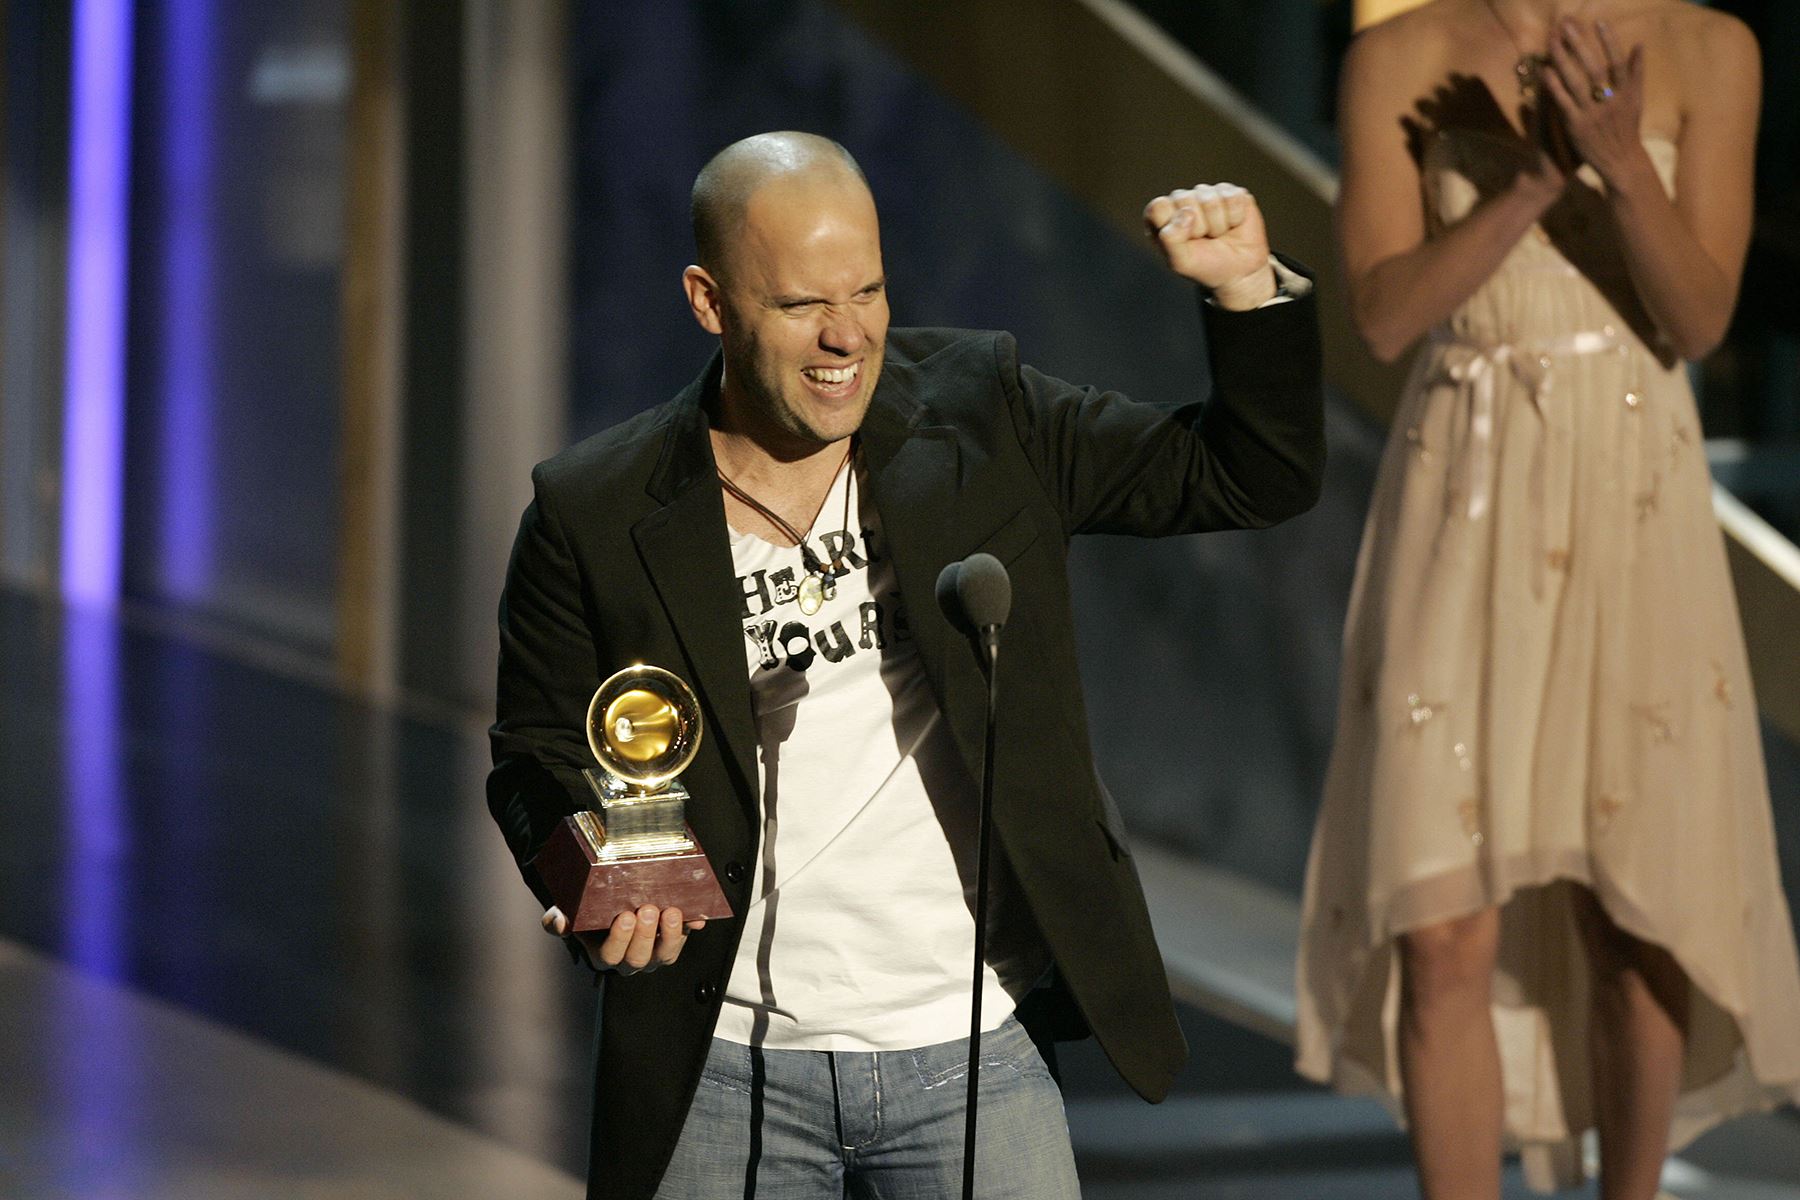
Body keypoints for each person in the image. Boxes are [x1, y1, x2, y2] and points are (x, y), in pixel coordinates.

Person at [488, 130, 1324, 1199]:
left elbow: (1246, 475)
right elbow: (536, 753)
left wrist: (1248, 291)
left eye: (869, 291)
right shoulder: (594, 510)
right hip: (724, 1066)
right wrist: (591, 867)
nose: (847, 338)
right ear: (709, 300)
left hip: (977, 1047)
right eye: (800, 307)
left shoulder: (984, 412)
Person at [1296, 3, 1800, 1197]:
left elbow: (1700, 317)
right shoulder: (1398, 56)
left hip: (1631, 494)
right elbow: (1380, 314)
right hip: (1461, 488)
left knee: (1635, 916)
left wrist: (1622, 164)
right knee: (1442, 919)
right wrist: (1530, 184)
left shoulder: (1709, 48)